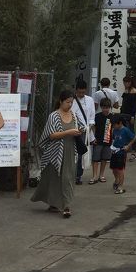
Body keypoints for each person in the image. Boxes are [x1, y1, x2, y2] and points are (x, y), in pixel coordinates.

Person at [31, 89, 84, 218]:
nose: (70, 105)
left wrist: (79, 131)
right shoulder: (54, 116)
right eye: (67, 102)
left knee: (68, 178)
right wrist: (69, 132)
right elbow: (51, 135)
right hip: (55, 151)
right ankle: (54, 203)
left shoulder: (74, 115)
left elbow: (79, 127)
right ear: (61, 101)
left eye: (71, 102)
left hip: (70, 150)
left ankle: (66, 205)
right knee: (54, 178)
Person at [73, 79, 95, 185]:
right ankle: (71, 173)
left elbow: (92, 116)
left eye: (83, 92)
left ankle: (78, 175)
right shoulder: (71, 100)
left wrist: (89, 127)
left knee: (81, 153)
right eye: (79, 92)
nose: (81, 94)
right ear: (76, 90)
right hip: (73, 129)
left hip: (85, 131)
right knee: (73, 153)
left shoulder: (90, 100)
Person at [110, 115, 136, 194]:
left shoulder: (125, 130)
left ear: (120, 123)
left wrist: (128, 146)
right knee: (114, 169)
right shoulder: (114, 130)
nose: (114, 126)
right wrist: (112, 146)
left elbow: (134, 137)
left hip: (121, 152)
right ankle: (117, 179)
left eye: (115, 124)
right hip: (114, 151)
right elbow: (114, 139)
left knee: (120, 169)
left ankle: (120, 186)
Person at [91, 97, 113, 184]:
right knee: (95, 158)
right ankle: (94, 176)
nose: (105, 109)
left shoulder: (112, 117)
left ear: (110, 108)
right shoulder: (97, 117)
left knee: (104, 158)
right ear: (101, 107)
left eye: (107, 108)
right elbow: (93, 128)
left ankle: (101, 175)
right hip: (98, 140)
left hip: (108, 141)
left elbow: (114, 129)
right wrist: (93, 138)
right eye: (104, 108)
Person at [120, 75, 136, 159]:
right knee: (124, 131)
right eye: (124, 82)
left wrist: (132, 116)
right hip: (123, 114)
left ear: (130, 82)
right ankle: (124, 150)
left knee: (131, 133)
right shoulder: (126, 91)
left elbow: (134, 106)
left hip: (130, 115)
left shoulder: (134, 91)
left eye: (127, 82)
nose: (125, 84)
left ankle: (133, 152)